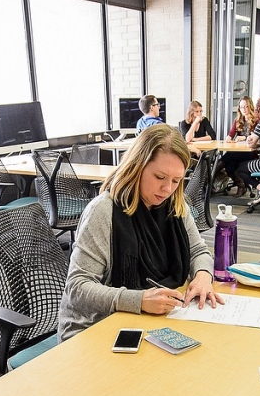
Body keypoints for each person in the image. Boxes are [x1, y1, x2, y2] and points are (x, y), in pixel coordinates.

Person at [58, 124, 223, 341]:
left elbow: (198, 251)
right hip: (94, 327)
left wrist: (203, 276)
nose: (168, 189)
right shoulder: (104, 210)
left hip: (149, 320)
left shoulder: (176, 204)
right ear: (137, 167)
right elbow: (78, 288)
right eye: (159, 177)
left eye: (176, 180)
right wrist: (139, 299)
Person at [223, 96, 259, 193]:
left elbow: (257, 137)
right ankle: (240, 184)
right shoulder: (238, 120)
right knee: (229, 165)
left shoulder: (256, 120)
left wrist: (244, 137)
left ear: (250, 107)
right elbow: (230, 135)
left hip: (251, 152)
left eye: (246, 106)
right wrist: (229, 139)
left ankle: (211, 175)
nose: (244, 109)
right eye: (241, 107)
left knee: (227, 157)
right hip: (239, 151)